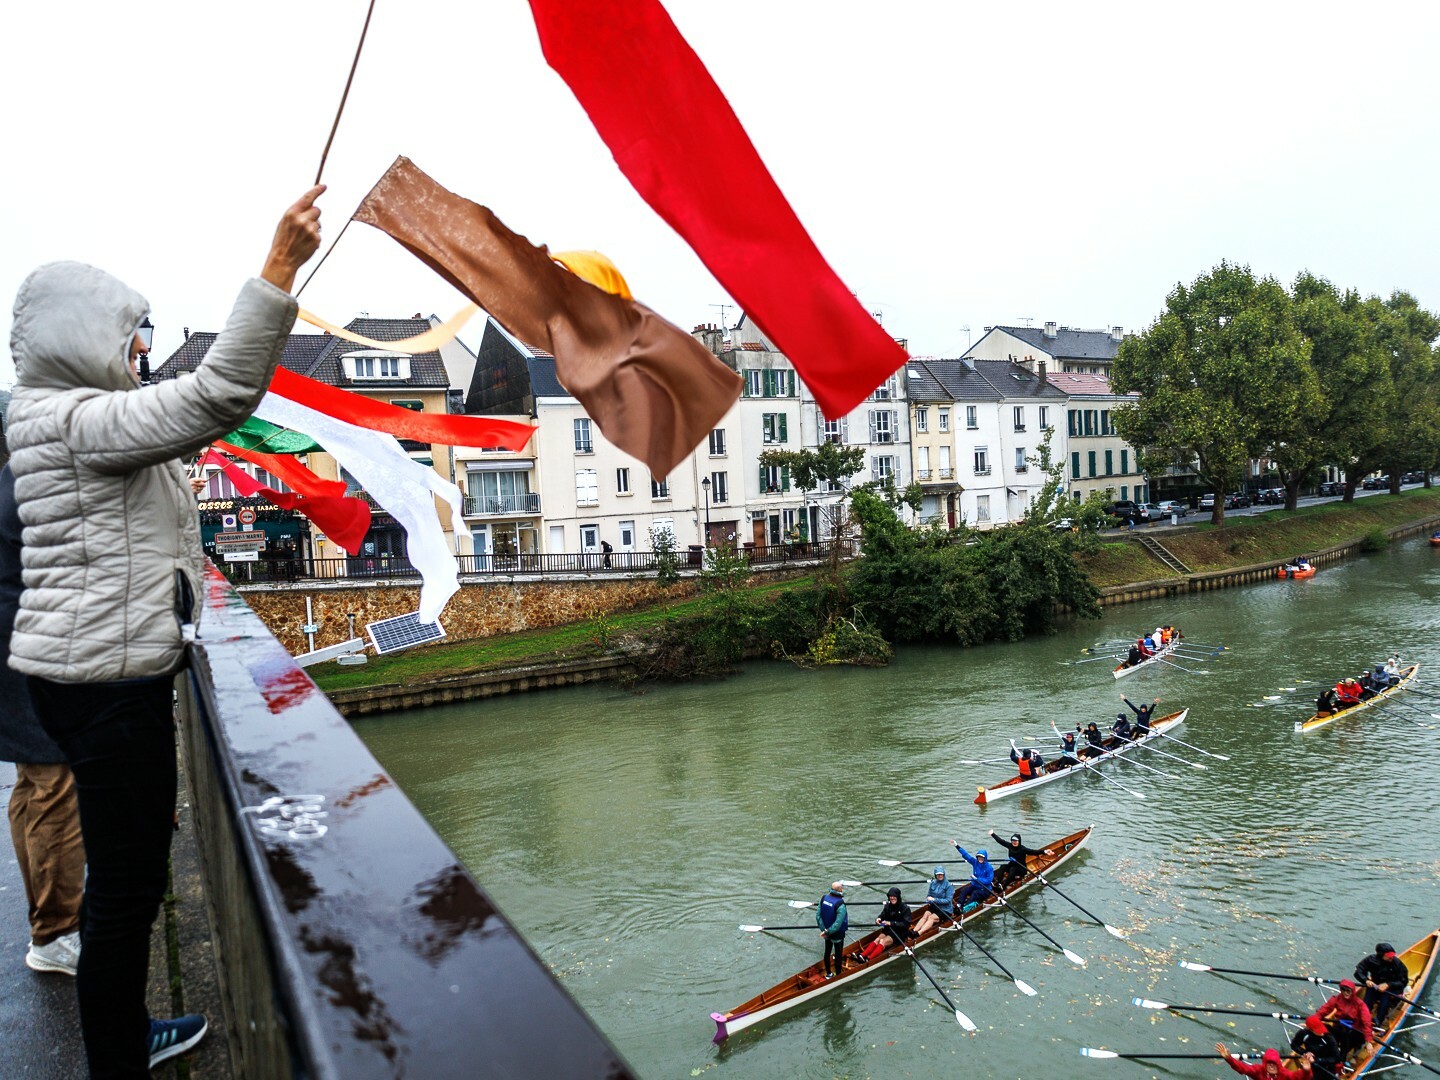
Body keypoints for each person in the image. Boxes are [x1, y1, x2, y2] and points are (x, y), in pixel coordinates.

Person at [7, 185, 324, 1077]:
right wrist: (278, 269)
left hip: (96, 674)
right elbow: (215, 394)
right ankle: (119, 1055)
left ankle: (124, 1040)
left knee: (129, 880)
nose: (142, 349)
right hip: (105, 686)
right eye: (131, 334)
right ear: (80, 338)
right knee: (127, 893)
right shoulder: (72, 419)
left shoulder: (67, 418)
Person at [0, 464, 85, 976]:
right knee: (56, 783)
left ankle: (51, 922)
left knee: (34, 783)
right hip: (32, 641)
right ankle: (55, 931)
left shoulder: (21, 466)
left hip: (16, 636)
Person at [1309, 978, 1373, 1059]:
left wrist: (1368, 1041)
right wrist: (1311, 1023)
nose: (1345, 993)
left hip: (1355, 1030)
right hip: (1340, 1026)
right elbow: (1323, 1010)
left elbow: (1367, 1023)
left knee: (1345, 1042)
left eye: (1348, 991)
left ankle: (1342, 1058)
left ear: (1353, 991)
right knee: (1326, 1031)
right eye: (1343, 989)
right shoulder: (1337, 999)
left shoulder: (1360, 1005)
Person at [1354, 943, 1410, 1026]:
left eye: (1392, 955)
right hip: (1375, 986)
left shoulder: (1397, 963)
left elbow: (1403, 981)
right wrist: (1366, 980)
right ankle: (1364, 1016)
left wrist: (1388, 984)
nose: (1391, 957)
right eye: (1389, 956)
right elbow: (1358, 971)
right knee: (1369, 991)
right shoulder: (1371, 960)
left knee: (1385, 997)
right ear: (1381, 955)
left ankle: (1378, 1020)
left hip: (1391, 989)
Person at [859, 887, 915, 960]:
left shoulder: (905, 908)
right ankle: (862, 956)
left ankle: (868, 959)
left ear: (898, 897)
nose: (892, 898)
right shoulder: (888, 906)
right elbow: (882, 915)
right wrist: (879, 919)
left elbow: (906, 924)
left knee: (882, 942)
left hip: (899, 933)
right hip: (888, 930)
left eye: (894, 896)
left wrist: (891, 923)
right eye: (890, 896)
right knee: (877, 940)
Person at [987, 831, 1053, 892]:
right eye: (1013, 840)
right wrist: (993, 834)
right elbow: (1000, 841)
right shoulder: (1010, 846)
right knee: (1002, 866)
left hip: (1021, 869)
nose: (1014, 842)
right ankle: (997, 883)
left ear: (1019, 841)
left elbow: (1033, 852)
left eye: (1016, 841)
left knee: (1013, 869)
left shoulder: (1022, 849)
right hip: (1012, 865)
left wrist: (1044, 851)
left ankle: (1003, 886)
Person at [1215, 1042, 1313, 1079]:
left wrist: (1306, 1071)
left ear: (1278, 1065)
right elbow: (1242, 1068)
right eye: (1269, 1064)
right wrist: (1229, 1059)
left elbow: (1299, 1077)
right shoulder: (1258, 1070)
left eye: (1274, 1064)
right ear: (1265, 1064)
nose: (1271, 1066)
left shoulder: (1285, 1074)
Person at [1288, 1015, 1342, 1080]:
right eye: (1318, 1030)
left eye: (1321, 1029)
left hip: (1326, 1066)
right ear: (1310, 1029)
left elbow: (1337, 1058)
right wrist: (1305, 1053)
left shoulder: (1329, 1038)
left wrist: (1317, 1060)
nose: (1322, 1033)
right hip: (1310, 1063)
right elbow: (1294, 1045)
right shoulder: (1303, 1033)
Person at [950, 843, 994, 911]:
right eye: (979, 857)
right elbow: (966, 855)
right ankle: (959, 905)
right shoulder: (975, 862)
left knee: (975, 893)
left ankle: (965, 909)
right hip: (975, 886)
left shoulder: (989, 867)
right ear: (977, 857)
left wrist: (977, 879)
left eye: (982, 857)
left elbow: (989, 880)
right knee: (964, 890)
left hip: (985, 890)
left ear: (985, 858)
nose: (980, 859)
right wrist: (957, 846)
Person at [918, 865, 953, 934]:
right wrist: (928, 899)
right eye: (938, 874)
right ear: (935, 875)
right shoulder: (933, 883)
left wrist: (934, 899)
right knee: (925, 915)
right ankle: (914, 931)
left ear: (943, 874)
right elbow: (929, 895)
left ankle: (919, 933)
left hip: (945, 909)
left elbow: (948, 900)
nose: (940, 876)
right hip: (934, 906)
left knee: (931, 918)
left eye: (941, 874)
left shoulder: (948, 885)